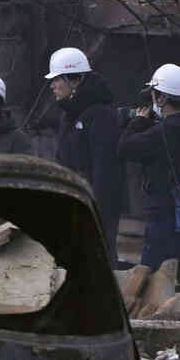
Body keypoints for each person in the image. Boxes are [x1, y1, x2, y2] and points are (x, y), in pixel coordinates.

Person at [119, 63, 180, 283]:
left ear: (161, 99)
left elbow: (124, 148)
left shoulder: (161, 132)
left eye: (154, 95)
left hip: (164, 218)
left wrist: (139, 122)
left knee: (153, 280)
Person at [45, 46, 124, 258]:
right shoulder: (68, 115)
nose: (52, 85)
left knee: (98, 259)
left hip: (95, 206)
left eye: (57, 79)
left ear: (75, 80)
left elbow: (105, 169)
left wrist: (95, 209)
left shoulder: (101, 115)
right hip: (72, 200)